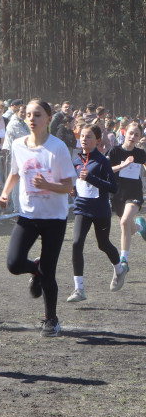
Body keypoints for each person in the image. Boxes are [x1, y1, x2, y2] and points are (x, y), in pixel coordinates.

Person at [0, 99, 77, 337]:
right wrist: (4, 193)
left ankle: (51, 319)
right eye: (29, 115)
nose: (32, 119)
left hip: (54, 217)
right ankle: (36, 269)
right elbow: (15, 173)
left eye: (38, 115)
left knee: (49, 273)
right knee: (13, 263)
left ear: (49, 119)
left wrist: (47, 184)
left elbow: (68, 187)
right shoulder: (19, 145)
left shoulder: (58, 147)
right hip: (28, 215)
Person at [66, 124, 122, 303]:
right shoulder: (76, 160)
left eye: (88, 136)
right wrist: (73, 190)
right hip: (82, 207)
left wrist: (91, 178)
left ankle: (120, 269)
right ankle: (79, 289)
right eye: (82, 136)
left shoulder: (102, 161)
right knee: (76, 244)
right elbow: (77, 183)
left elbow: (113, 187)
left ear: (98, 140)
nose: (84, 139)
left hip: (100, 210)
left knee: (103, 244)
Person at [107, 121, 145, 281]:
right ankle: (140, 227)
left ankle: (124, 260)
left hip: (134, 193)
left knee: (123, 223)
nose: (133, 137)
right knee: (129, 228)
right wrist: (123, 165)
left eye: (136, 135)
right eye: (131, 133)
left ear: (139, 137)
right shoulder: (115, 151)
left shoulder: (141, 153)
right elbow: (106, 170)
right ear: (124, 133)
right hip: (117, 195)